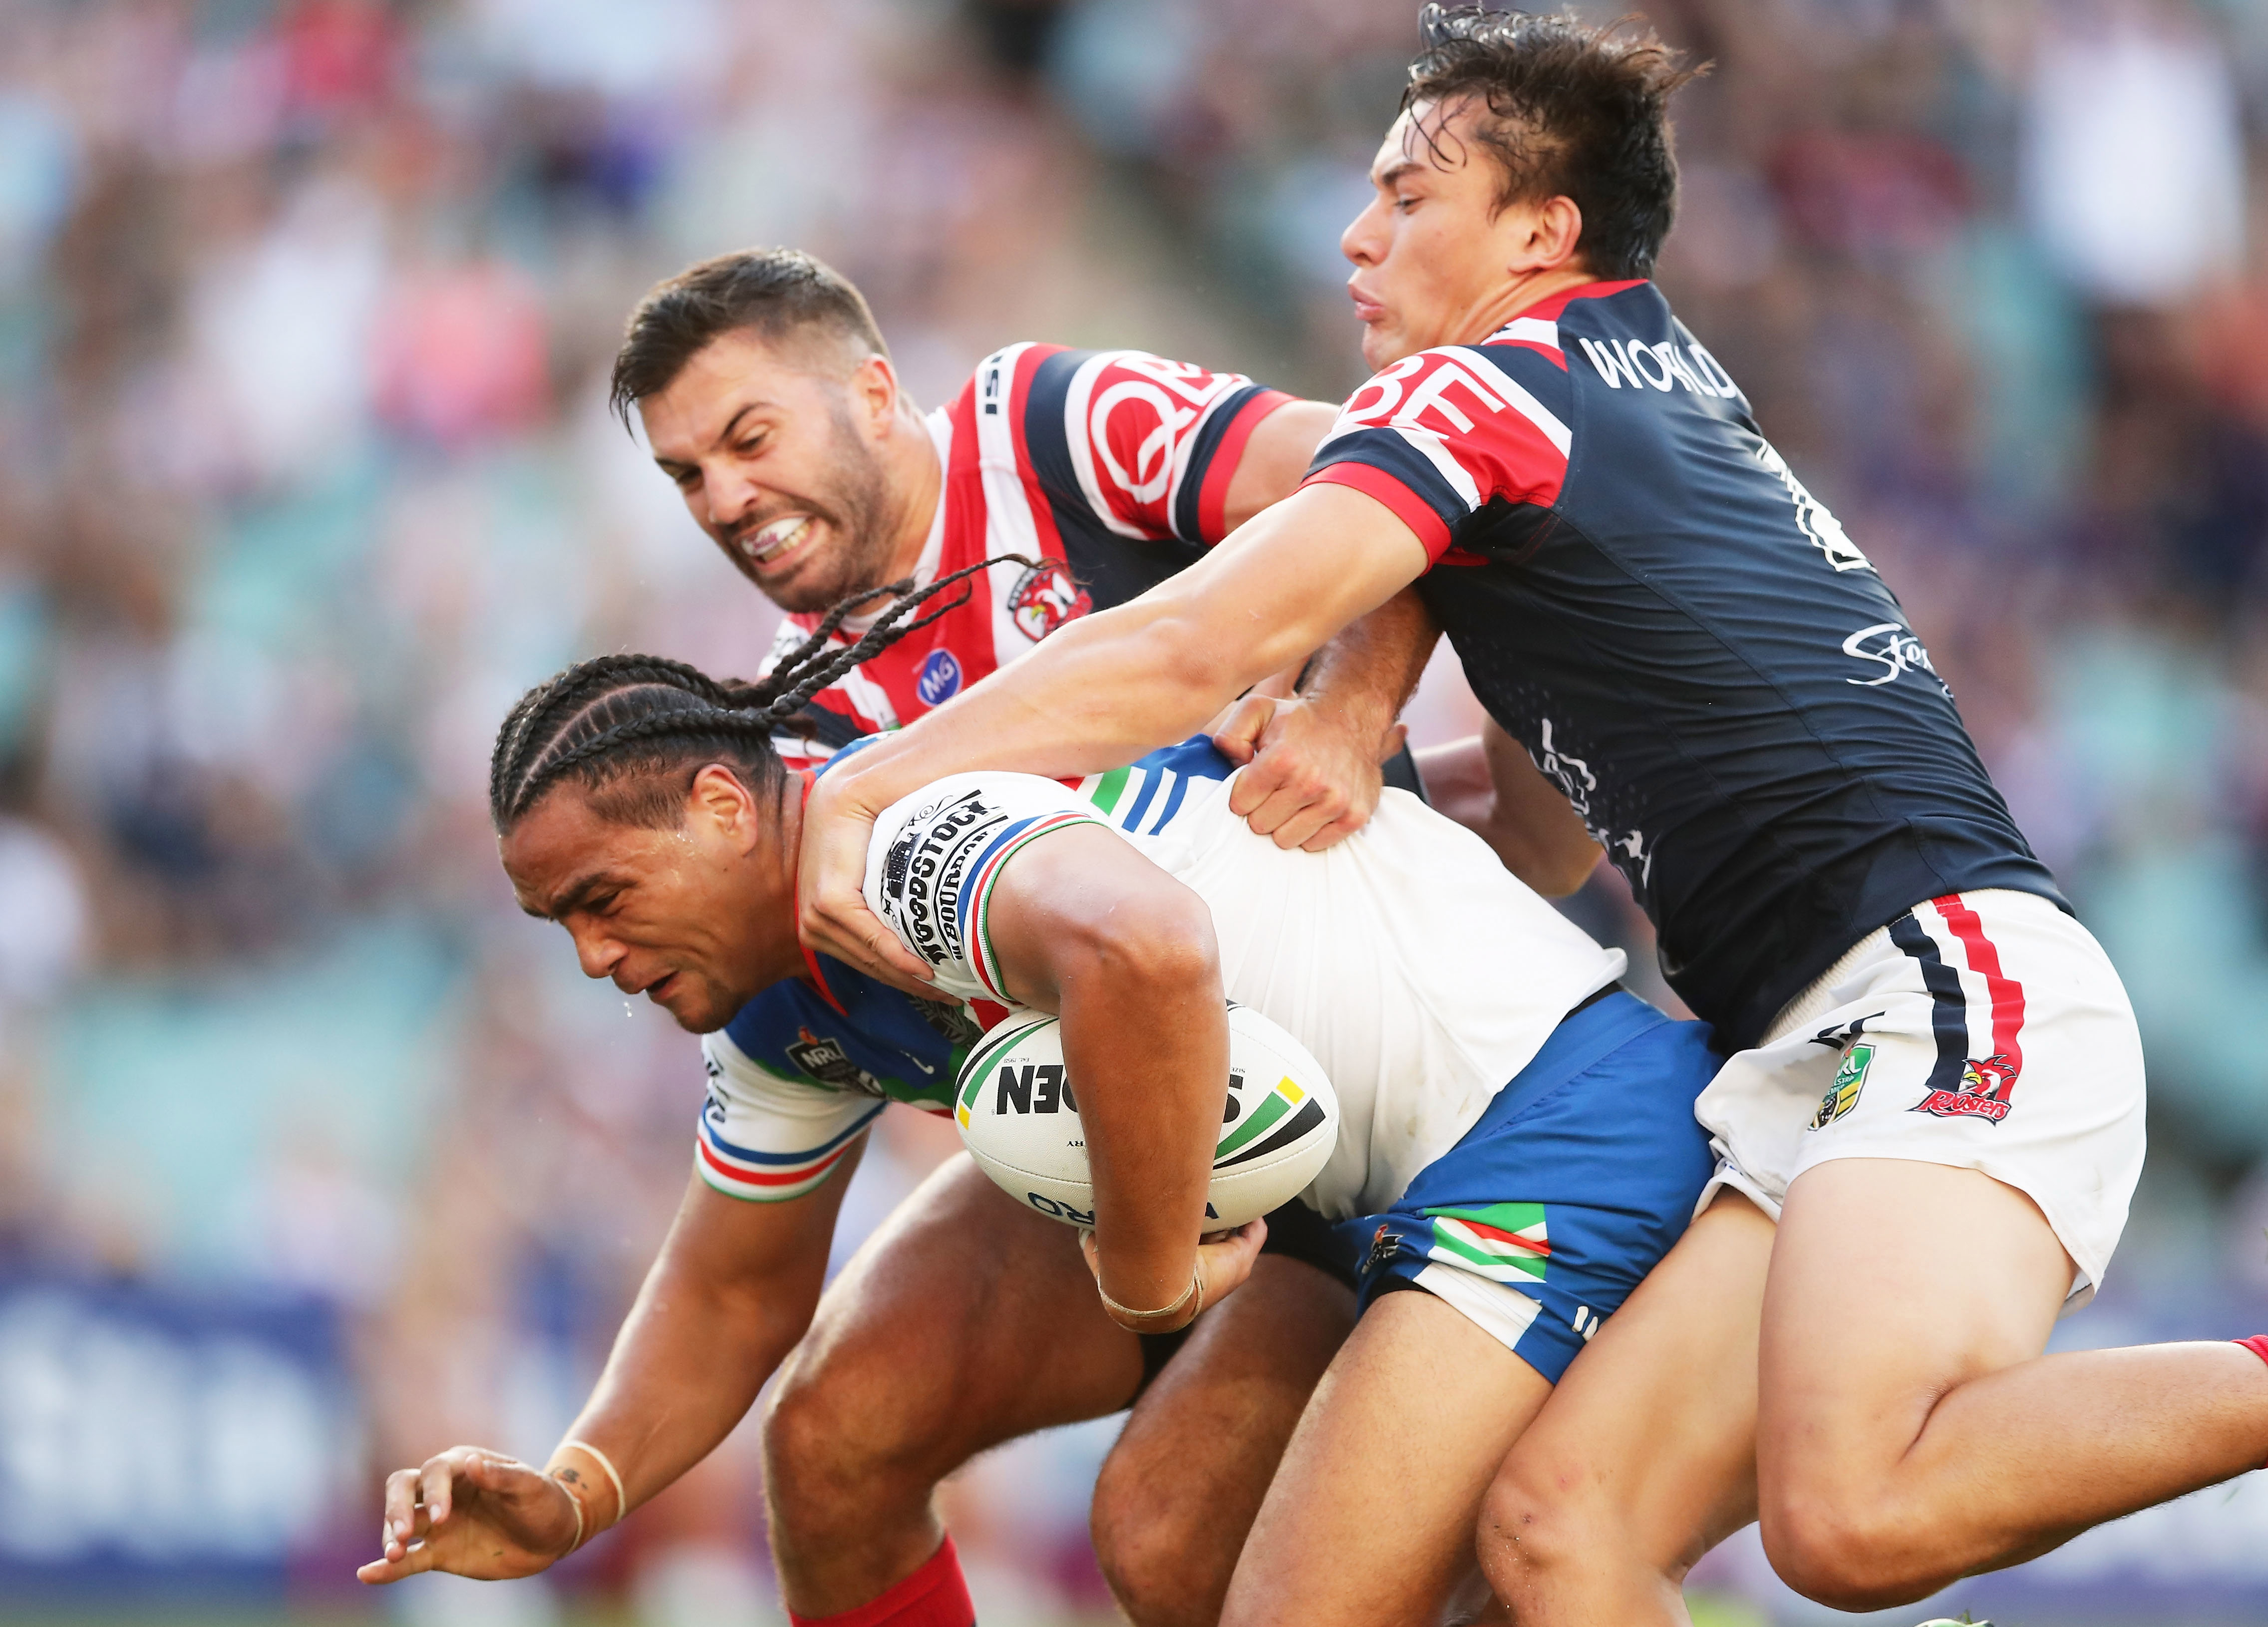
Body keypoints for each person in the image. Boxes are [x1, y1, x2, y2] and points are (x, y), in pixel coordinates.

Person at [794, 7, 2268, 1622]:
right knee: (1557, 1538)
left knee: (1846, 1521)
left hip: (1940, 990)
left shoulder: (1491, 393)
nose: (1357, 234)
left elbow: (1188, 642)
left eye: (1409, 198)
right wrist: (1357, 725)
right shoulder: (1624, 381)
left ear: (1539, 232)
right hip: (1818, 1038)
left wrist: (873, 779)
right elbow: (1552, 845)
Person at [355, 600, 1719, 1627]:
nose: (592, 957)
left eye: (601, 897)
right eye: (558, 926)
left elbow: (1149, 953)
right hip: (1360, 1192)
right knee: (1161, 1534)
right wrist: (575, 1492)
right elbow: (725, 1292)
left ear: (724, 803)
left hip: (1545, 1114)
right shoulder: (775, 1006)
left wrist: (1147, 1276)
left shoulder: (893, 834)